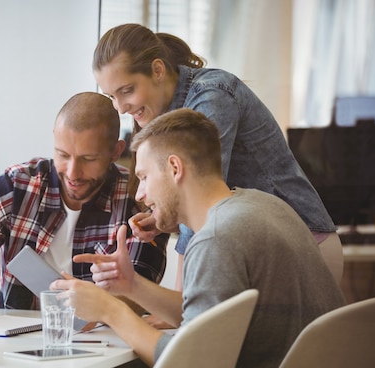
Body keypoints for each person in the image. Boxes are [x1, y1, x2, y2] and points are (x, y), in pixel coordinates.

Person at [51, 108, 346, 368]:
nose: (140, 192)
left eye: (144, 177)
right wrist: (131, 285)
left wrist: (110, 310)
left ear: (175, 168)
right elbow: (211, 323)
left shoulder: (217, 238)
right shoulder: (265, 206)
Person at [92, 23, 344, 285]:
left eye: (127, 90)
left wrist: (181, 299)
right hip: (261, 246)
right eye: (112, 96)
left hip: (303, 243)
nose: (120, 107)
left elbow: (199, 196)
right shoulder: (163, 112)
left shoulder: (212, 96)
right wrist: (160, 218)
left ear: (157, 70)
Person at [0, 91, 167, 311]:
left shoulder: (139, 199)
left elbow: (143, 298)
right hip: (16, 348)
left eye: (88, 159)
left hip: (109, 347)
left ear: (116, 151)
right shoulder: (12, 189)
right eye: (62, 155)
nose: (73, 173)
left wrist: (100, 304)